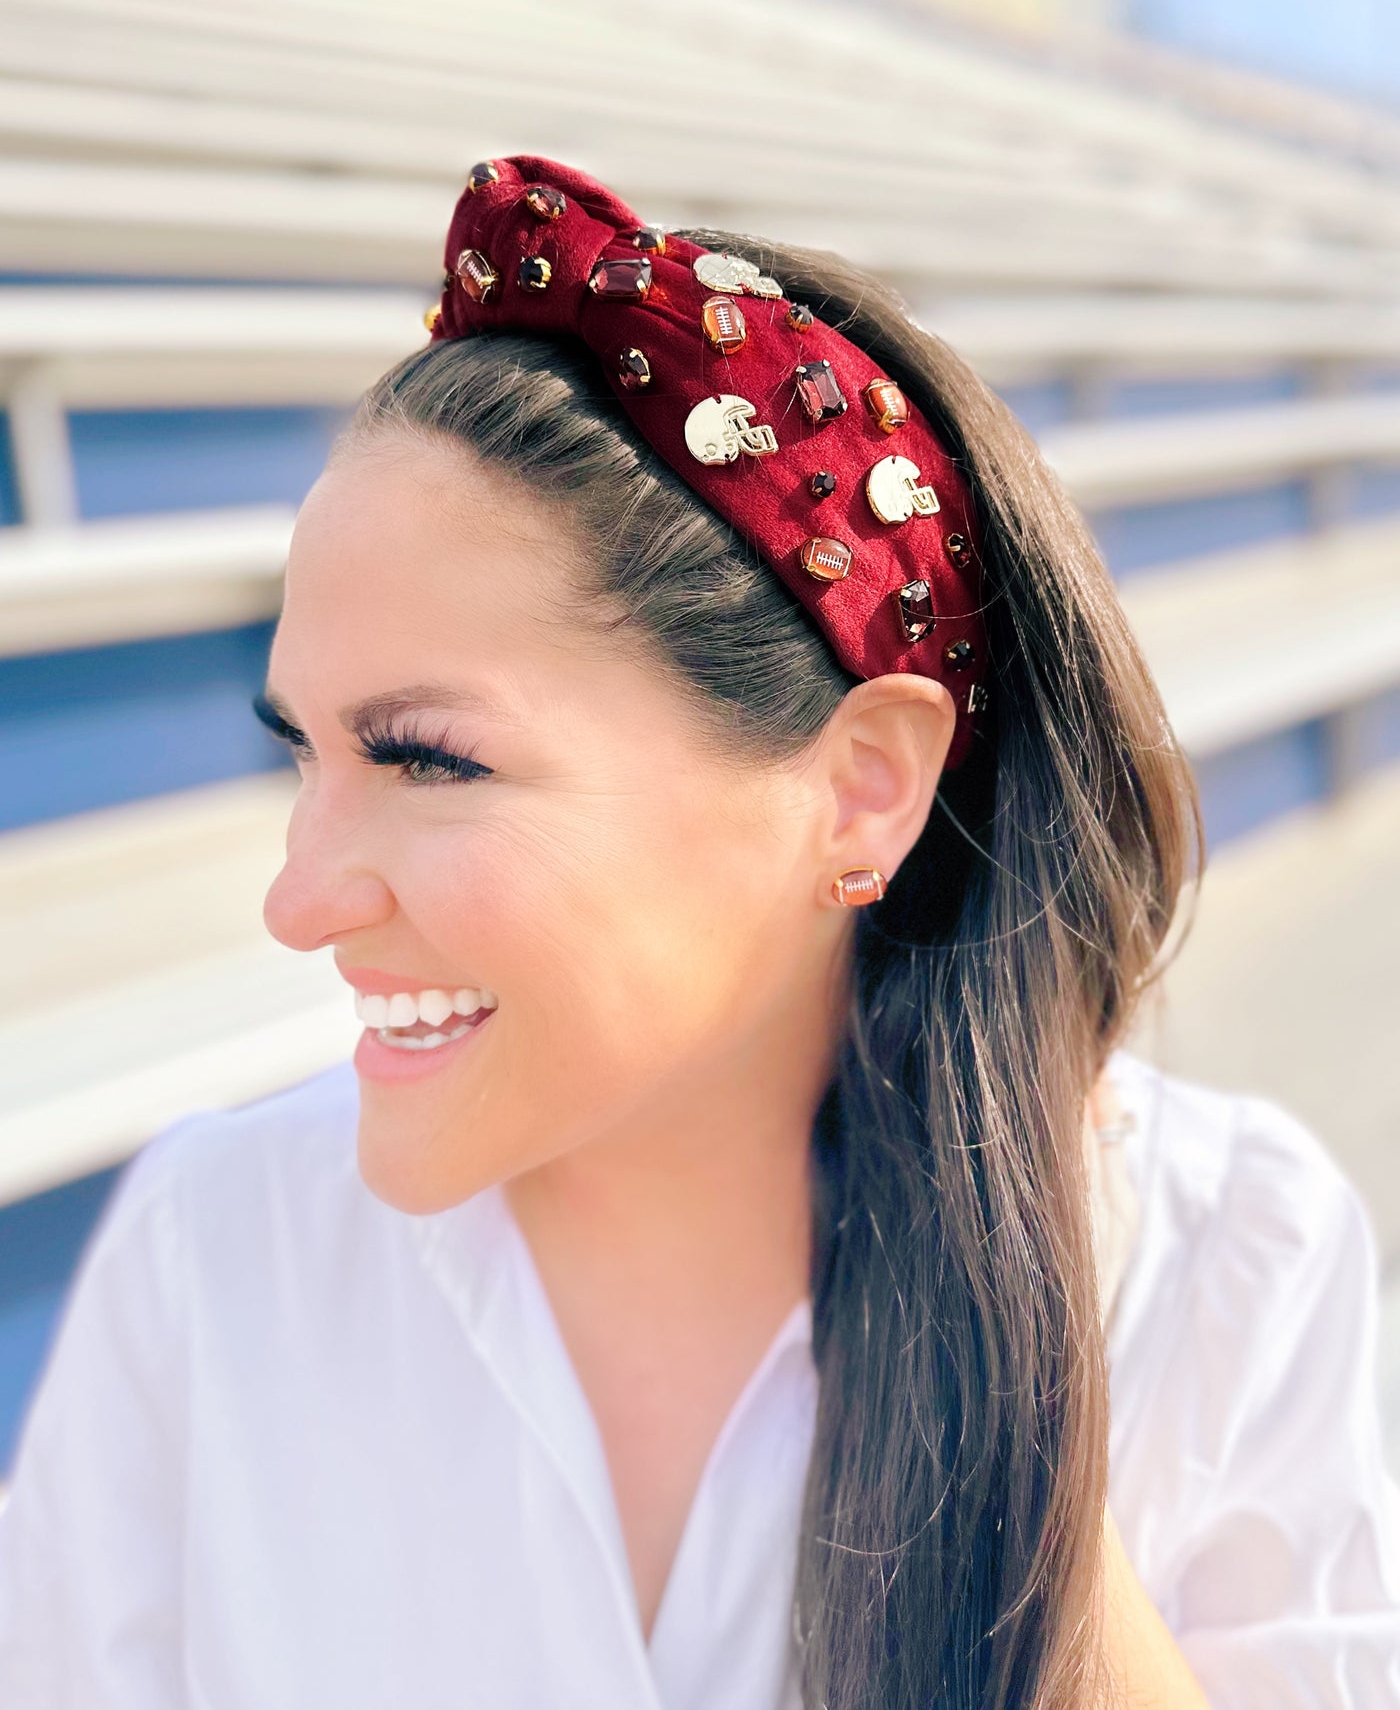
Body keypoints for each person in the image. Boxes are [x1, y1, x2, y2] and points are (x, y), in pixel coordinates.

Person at [0, 155, 1396, 1708]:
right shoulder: (213, 1255)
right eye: (305, 754)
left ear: (862, 792)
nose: (298, 897)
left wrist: (1004, 1374)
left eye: (427, 760)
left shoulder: (1224, 1261)